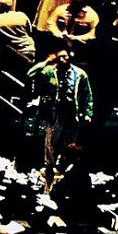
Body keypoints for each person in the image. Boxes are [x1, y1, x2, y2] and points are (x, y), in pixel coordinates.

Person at [27, 47, 94, 192]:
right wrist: (47, 61)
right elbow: (31, 73)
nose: (64, 59)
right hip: (55, 112)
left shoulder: (80, 74)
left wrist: (88, 112)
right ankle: (49, 168)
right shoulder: (50, 71)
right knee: (51, 142)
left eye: (66, 56)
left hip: (72, 112)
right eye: (61, 57)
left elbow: (87, 94)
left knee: (68, 143)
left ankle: (64, 169)